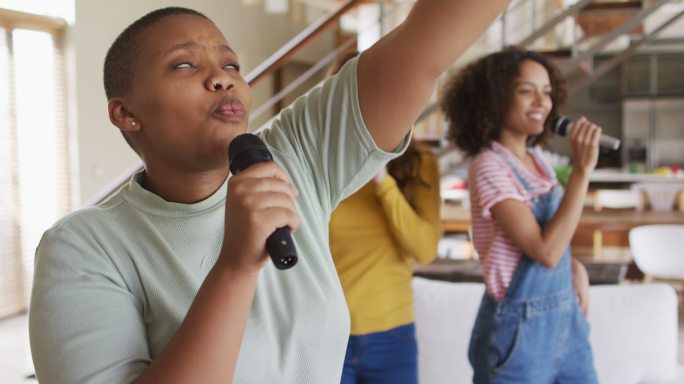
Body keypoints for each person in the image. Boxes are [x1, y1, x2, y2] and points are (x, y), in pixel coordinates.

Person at [28, 3, 510, 383]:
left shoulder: (297, 156)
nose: (222, 77)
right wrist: (236, 268)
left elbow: (427, 43)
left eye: (231, 63)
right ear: (126, 113)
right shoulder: (83, 247)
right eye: (183, 65)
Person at [440, 47, 598, 383]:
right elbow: (545, 250)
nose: (542, 103)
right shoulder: (489, 166)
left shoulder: (539, 159)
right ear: (494, 100)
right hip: (519, 332)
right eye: (527, 91)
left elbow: (559, 241)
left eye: (547, 92)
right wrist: (582, 171)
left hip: (567, 323)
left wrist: (575, 267)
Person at [327, 51, 442, 384]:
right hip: (327, 334)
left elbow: (424, 249)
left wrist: (381, 178)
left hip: (393, 336)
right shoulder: (323, 163)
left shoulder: (419, 162)